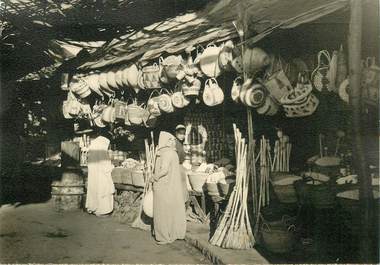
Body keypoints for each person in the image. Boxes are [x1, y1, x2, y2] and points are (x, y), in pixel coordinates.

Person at [151, 131, 186, 244]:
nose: (172, 142)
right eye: (170, 140)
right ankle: (175, 233)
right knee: (173, 209)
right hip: (172, 186)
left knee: (162, 211)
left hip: (163, 185)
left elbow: (164, 170)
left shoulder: (165, 153)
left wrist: (154, 177)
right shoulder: (173, 153)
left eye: (172, 139)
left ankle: (164, 236)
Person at [85, 131, 115, 217]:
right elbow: (106, 166)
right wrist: (112, 166)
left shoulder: (93, 146)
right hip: (101, 175)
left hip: (93, 173)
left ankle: (94, 208)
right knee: (103, 191)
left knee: (94, 190)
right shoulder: (102, 149)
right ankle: (102, 211)